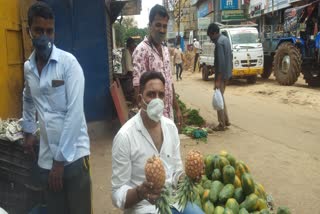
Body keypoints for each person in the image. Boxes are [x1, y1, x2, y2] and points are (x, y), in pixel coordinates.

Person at [22, 2, 92, 213]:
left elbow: (75, 113)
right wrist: (27, 130)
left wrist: (60, 162)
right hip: (46, 158)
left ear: (54, 32)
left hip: (73, 157)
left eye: (49, 31)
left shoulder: (68, 64)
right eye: (38, 30)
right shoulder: (28, 68)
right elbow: (27, 98)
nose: (45, 36)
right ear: (29, 32)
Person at [111, 71, 204, 214]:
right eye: (151, 94)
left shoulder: (171, 128)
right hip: (143, 208)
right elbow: (117, 193)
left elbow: (176, 171)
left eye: (161, 95)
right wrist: (140, 192)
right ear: (140, 99)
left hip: (174, 201)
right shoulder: (125, 137)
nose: (157, 100)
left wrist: (188, 178)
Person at [132, 4, 182, 126]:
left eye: (165, 26)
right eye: (158, 25)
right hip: (152, 119)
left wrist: (177, 108)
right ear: (150, 26)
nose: (162, 30)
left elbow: (169, 83)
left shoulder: (165, 49)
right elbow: (137, 87)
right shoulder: (141, 51)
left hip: (168, 117)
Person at [207, 23, 232, 131]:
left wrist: (217, 80)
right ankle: (226, 120)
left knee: (218, 99)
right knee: (220, 97)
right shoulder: (225, 39)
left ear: (214, 33)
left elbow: (221, 63)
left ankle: (222, 124)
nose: (211, 39)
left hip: (222, 76)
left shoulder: (219, 43)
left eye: (210, 36)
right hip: (227, 73)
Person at [121, 37, 136, 102]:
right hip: (127, 76)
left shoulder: (128, 52)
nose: (134, 46)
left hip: (127, 74)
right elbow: (128, 68)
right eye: (133, 44)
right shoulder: (127, 52)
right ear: (130, 44)